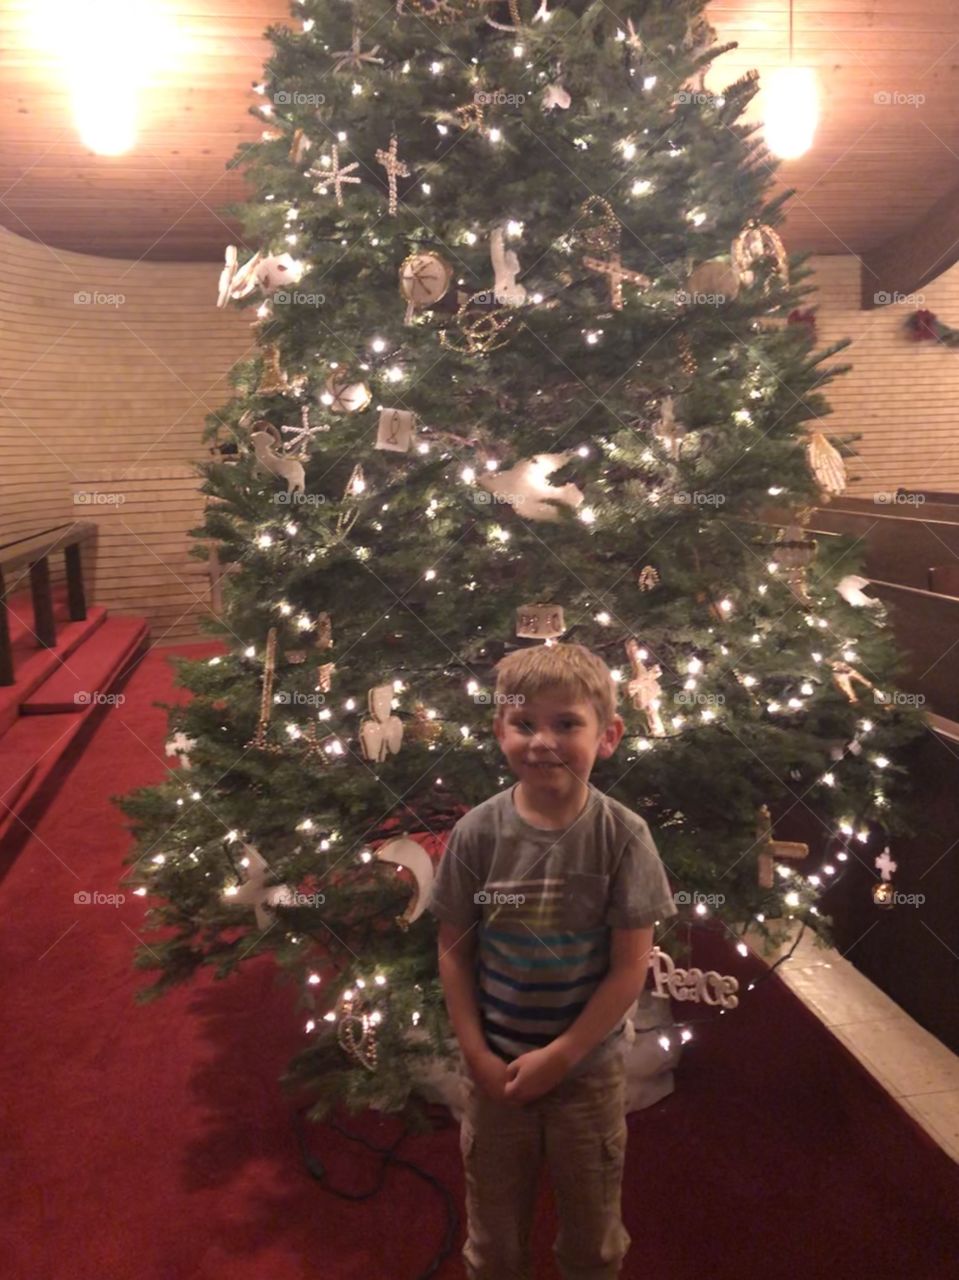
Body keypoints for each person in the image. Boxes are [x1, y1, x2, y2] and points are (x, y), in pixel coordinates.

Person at [428, 642, 678, 1280]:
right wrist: (479, 1055)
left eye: (566, 723)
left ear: (609, 734)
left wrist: (564, 1055)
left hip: (587, 1077)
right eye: (524, 723)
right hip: (495, 1074)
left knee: (593, 1241)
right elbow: (454, 950)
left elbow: (629, 968)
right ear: (499, 731)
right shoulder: (477, 834)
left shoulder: (624, 837)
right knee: (494, 1239)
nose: (543, 741)